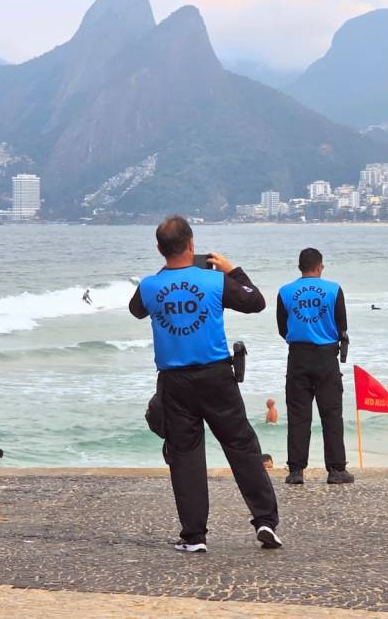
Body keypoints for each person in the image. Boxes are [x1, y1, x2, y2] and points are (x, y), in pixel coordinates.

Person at [129, 215, 280, 553]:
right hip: (216, 377)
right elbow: (255, 302)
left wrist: (163, 284)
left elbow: (136, 310)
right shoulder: (214, 281)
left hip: (174, 381)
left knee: (185, 456)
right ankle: (265, 521)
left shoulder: (149, 286)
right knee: (241, 446)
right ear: (193, 245)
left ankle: (195, 537)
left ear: (159, 249)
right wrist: (231, 270)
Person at [277, 247, 354, 485]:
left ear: (300, 267)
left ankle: (296, 471)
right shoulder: (333, 289)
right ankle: (336, 470)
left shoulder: (285, 291)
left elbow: (282, 328)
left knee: (298, 415)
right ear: (319, 266)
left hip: (298, 357)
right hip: (325, 357)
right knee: (331, 414)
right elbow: (342, 324)